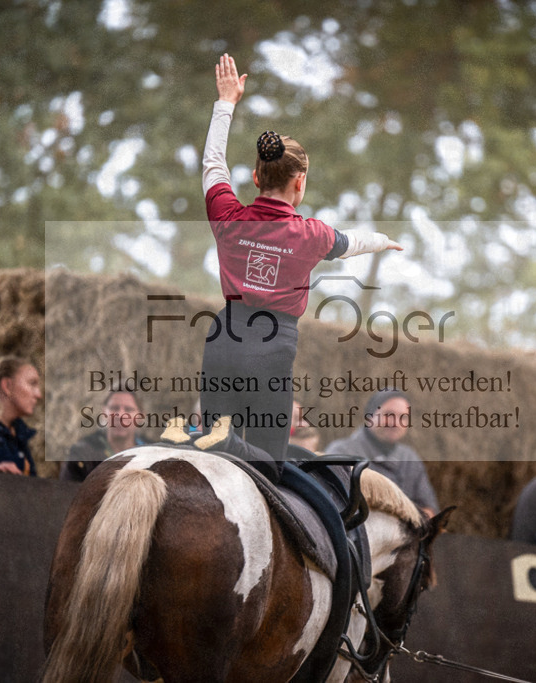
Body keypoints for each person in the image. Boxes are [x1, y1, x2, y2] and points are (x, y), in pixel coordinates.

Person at [164, 53, 402, 484]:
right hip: (272, 349)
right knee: (267, 469)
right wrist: (384, 241)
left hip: (224, 336)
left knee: (215, 469)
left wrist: (225, 103)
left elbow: (213, 163)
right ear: (300, 182)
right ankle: (220, 439)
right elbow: (352, 244)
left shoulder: (229, 216)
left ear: (255, 176)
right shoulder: (311, 235)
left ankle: (212, 437)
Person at [324, 389, 439, 517]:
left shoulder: (410, 458)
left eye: (403, 417)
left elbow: (429, 509)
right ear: (369, 417)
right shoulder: (342, 453)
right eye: (388, 415)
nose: (395, 423)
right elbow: (334, 506)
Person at [61, 390, 148, 482]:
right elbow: (66, 491)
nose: (120, 415)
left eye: (128, 409)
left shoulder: (154, 455)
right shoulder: (82, 454)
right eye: (114, 408)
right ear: (104, 413)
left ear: (141, 416)